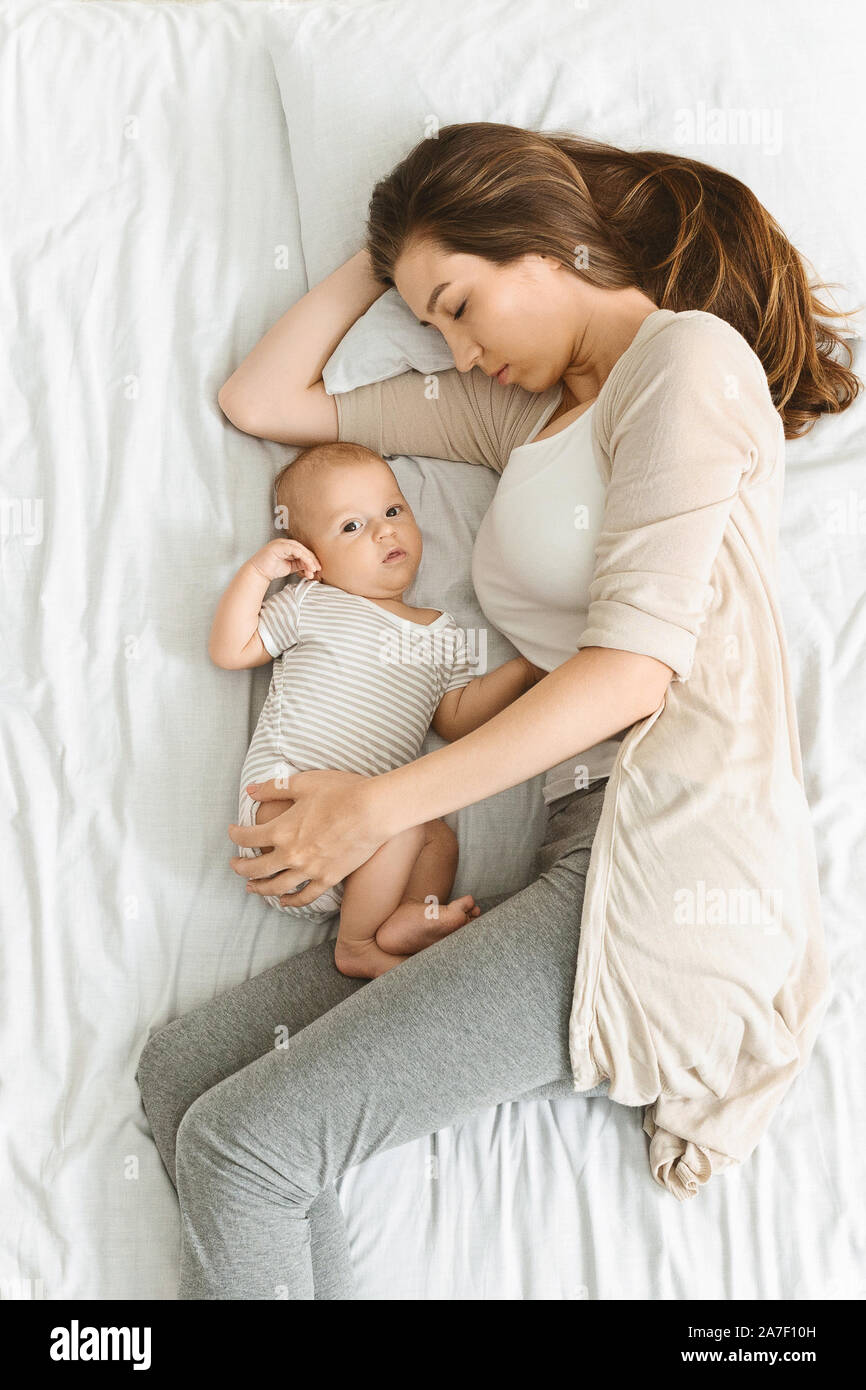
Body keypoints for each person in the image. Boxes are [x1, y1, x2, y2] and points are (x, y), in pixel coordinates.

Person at [135, 123, 858, 1298]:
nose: (456, 348)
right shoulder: (522, 423)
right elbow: (264, 399)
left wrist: (371, 809)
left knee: (246, 1146)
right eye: (431, 324)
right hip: (579, 854)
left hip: (664, 869)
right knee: (186, 1077)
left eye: (462, 304)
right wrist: (392, 254)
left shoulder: (686, 360)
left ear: (550, 245)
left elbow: (630, 672)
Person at [208, 442, 545, 977]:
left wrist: (524, 671)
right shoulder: (311, 602)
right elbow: (231, 649)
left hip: (367, 846)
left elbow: (455, 717)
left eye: (393, 511)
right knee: (404, 824)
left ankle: (401, 915)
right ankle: (357, 947)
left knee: (436, 835)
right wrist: (258, 573)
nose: (385, 531)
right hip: (284, 806)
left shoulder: (440, 631)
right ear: (308, 558)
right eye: (351, 527)